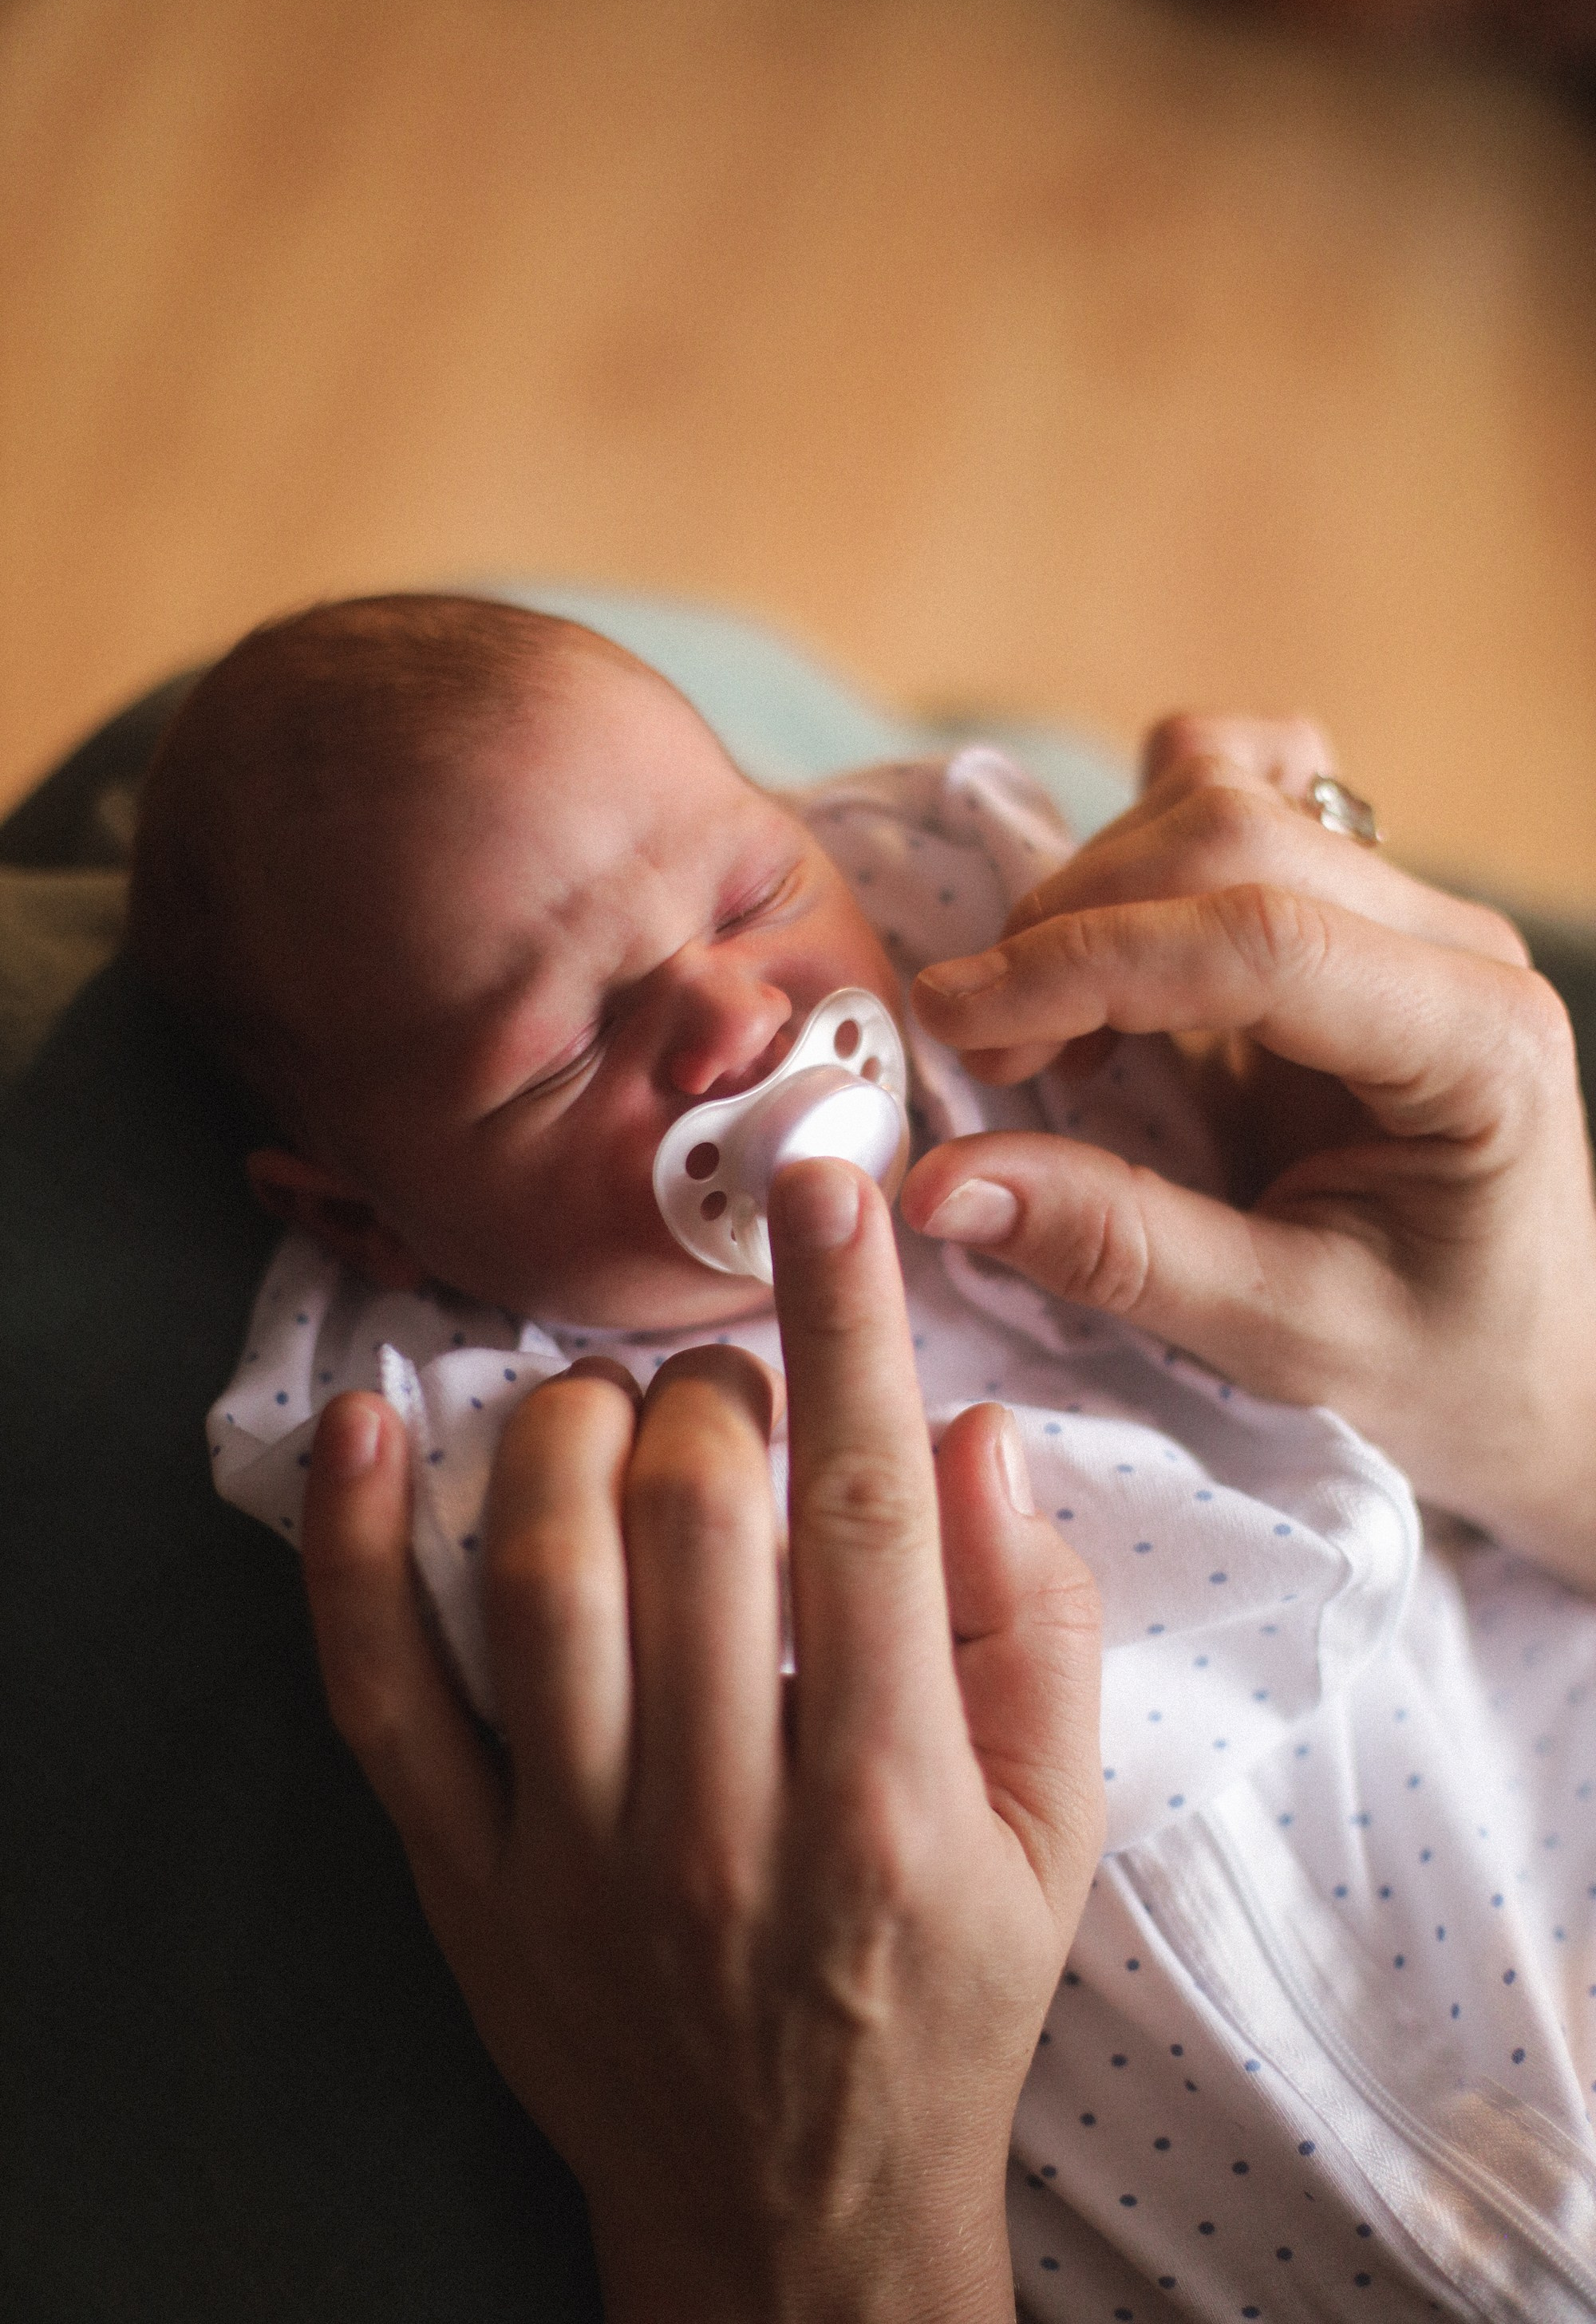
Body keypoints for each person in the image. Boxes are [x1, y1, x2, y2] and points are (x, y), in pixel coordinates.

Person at [129, 594, 1596, 2314]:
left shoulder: (995, 1025)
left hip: (1501, 1772)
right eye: (563, 1042)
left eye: (754, 889)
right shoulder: (491, 1432)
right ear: (367, 1220)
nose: (725, 1012)